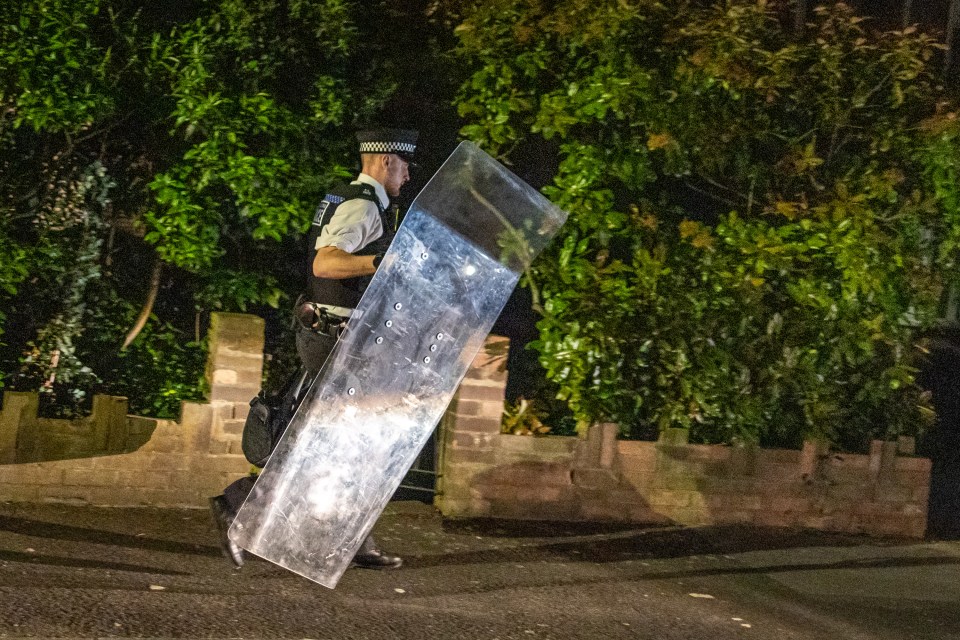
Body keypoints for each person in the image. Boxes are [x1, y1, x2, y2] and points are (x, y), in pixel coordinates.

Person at [209, 128, 418, 570]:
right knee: (327, 445)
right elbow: (327, 262)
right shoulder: (364, 204)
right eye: (403, 163)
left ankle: (355, 540)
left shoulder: (351, 198)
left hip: (334, 336)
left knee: (352, 445)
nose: (407, 172)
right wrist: (383, 262)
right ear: (383, 162)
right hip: (335, 339)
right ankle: (237, 505)